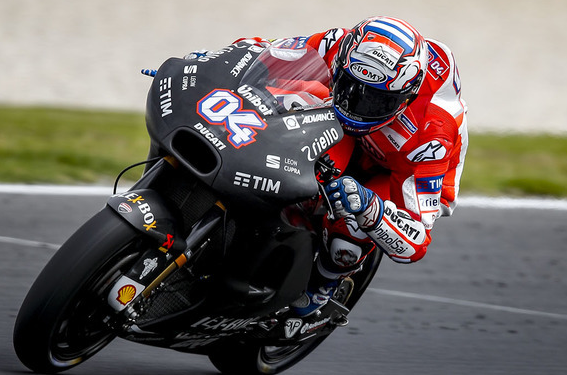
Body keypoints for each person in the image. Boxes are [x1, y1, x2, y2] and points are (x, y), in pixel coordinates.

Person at [191, 16, 468, 316]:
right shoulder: (339, 44)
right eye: (351, 87)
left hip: (398, 171)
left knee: (347, 235)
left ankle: (322, 286)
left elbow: (415, 243)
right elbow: (270, 53)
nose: (358, 106)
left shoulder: (432, 137)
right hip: (351, 134)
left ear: (405, 97)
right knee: (287, 103)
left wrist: (369, 208)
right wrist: (212, 65)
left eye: (376, 101)